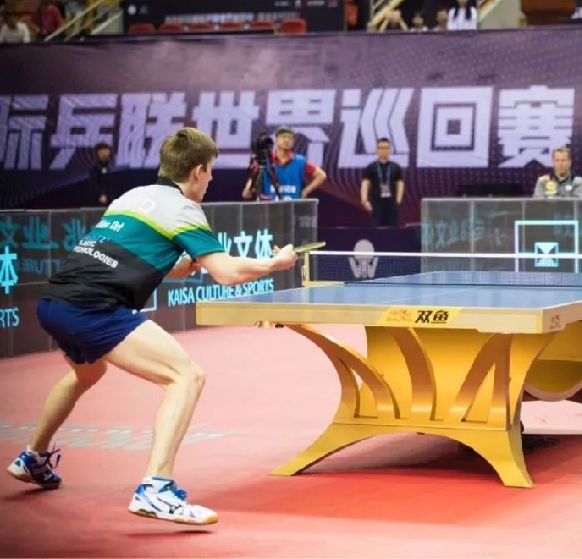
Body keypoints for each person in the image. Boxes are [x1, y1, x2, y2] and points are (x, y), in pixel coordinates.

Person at [5, 127, 299, 525]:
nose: (211, 179)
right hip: (95, 308)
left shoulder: (132, 197)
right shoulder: (184, 209)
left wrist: (186, 264)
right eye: (210, 171)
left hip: (55, 301)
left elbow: (145, 261)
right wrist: (275, 264)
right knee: (186, 377)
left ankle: (33, 457)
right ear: (197, 171)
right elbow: (227, 273)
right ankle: (156, 488)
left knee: (87, 373)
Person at [241, 126, 326, 201]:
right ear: (276, 139)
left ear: (293, 141)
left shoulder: (300, 161)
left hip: (292, 209)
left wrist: (305, 191)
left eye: (290, 138)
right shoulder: (265, 161)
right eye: (283, 137)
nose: (286, 140)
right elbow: (246, 194)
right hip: (269, 210)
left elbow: (321, 175)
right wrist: (250, 187)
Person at [361, 138, 404, 226]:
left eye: (386, 148)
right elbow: (365, 184)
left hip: (391, 204)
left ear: (390, 150)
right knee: (376, 229)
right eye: (381, 148)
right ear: (377, 150)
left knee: (392, 229)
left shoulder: (396, 167)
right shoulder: (371, 167)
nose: (383, 150)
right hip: (376, 204)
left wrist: (398, 201)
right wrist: (364, 200)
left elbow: (400, 184)